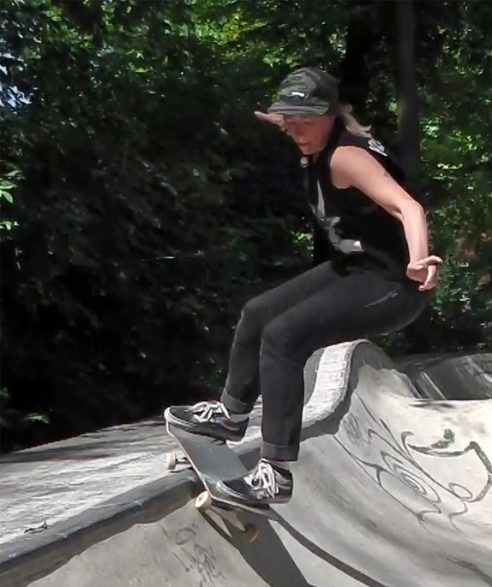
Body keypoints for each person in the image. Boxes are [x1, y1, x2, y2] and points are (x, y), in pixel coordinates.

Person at [166, 67, 441, 508]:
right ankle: (231, 414)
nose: (297, 131)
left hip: (394, 281)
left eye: (306, 121)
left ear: (332, 116)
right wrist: (285, 116)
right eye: (290, 122)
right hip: (354, 266)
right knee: (258, 313)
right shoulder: (309, 132)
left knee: (283, 336)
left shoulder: (345, 158)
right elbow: (291, 120)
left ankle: (274, 473)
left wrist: (419, 260)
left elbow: (409, 207)